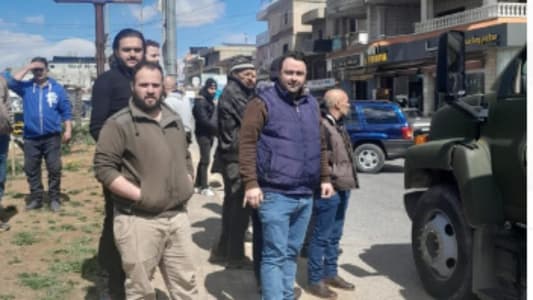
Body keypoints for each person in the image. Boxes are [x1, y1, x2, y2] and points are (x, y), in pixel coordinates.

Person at [94, 61, 197, 299]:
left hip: (177, 216)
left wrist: (188, 180)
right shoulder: (118, 123)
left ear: (163, 87)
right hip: (139, 220)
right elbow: (104, 169)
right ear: (133, 86)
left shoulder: (173, 118)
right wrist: (142, 195)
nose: (150, 90)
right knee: (141, 291)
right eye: (144, 85)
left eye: (155, 85)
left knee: (186, 286)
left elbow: (184, 154)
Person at [239, 51, 334, 300]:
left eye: (299, 73)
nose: (294, 78)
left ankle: (284, 295)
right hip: (274, 193)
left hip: (305, 193)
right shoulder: (261, 103)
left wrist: (325, 178)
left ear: (306, 76)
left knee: (291, 253)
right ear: (279, 74)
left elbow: (320, 144)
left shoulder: (312, 104)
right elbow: (247, 143)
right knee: (273, 255)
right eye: (289, 72)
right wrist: (251, 183)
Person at [89, 28, 145, 300]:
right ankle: (112, 281)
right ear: (116, 52)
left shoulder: (148, 80)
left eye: (137, 49)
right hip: (119, 168)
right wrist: (123, 152)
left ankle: (136, 277)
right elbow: (97, 127)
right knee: (116, 221)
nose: (133, 54)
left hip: (148, 168)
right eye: (127, 49)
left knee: (143, 224)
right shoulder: (107, 82)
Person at [307, 88, 359, 299]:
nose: (349, 105)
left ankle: (331, 273)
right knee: (321, 236)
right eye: (346, 101)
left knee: (335, 235)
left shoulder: (338, 125)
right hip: (329, 189)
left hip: (343, 187)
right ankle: (315, 279)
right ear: (337, 104)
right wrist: (326, 181)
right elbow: (321, 159)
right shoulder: (323, 126)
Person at [7, 57, 72, 212]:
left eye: (41, 69)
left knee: (54, 168)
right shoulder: (26, 88)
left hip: (52, 136)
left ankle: (54, 198)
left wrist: (68, 129)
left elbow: (66, 110)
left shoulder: (57, 88)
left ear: (47, 69)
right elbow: (11, 82)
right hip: (31, 137)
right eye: (35, 70)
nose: (38, 72)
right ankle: (36, 198)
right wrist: (28, 67)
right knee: (31, 168)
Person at [209, 56, 256, 269]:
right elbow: (252, 119)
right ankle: (235, 256)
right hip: (236, 157)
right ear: (235, 75)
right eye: (246, 74)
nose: (251, 78)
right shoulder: (235, 93)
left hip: (232, 155)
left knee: (232, 206)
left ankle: (222, 250)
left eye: (253, 74)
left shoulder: (236, 91)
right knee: (239, 206)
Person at [192, 78, 218, 196]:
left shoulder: (208, 100)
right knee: (206, 160)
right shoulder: (201, 102)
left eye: (214, 89)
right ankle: (204, 186)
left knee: (204, 160)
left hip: (208, 134)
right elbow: (204, 120)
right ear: (206, 88)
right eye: (211, 88)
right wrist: (217, 130)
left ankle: (198, 184)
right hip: (203, 134)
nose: (213, 91)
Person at [163, 75, 193, 143]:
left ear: (164, 87)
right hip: (188, 133)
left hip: (178, 135)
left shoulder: (168, 101)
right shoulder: (185, 98)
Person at [0, 75, 11, 231]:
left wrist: (10, 125)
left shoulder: (2, 81)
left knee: (0, 175)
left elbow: (7, 105)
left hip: (2, 135)